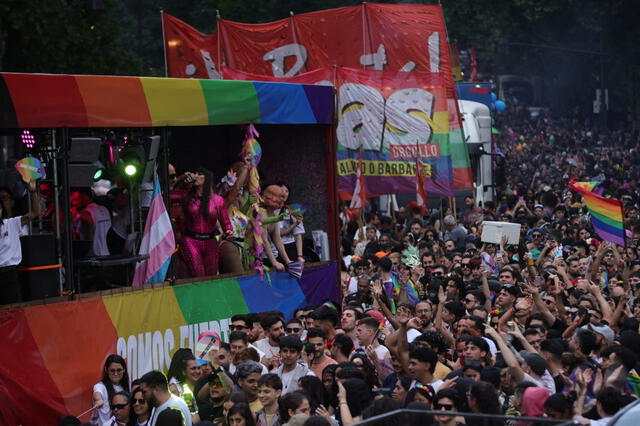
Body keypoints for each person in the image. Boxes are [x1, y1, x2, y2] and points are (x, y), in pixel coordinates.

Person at [181, 167, 233, 277]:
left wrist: (229, 231)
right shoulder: (186, 196)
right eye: (195, 173)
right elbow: (168, 193)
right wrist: (181, 178)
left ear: (207, 178)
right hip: (191, 241)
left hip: (210, 242)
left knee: (212, 276)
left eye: (199, 174)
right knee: (198, 275)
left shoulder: (218, 200)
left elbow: (226, 222)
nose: (195, 175)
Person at [0, 177, 39, 304]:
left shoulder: (11, 223)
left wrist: (32, 191)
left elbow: (35, 212)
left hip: (10, 273)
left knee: (13, 310)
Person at [92, 354, 130, 426]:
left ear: (124, 370)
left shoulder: (125, 387)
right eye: (112, 370)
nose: (116, 373)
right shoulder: (101, 386)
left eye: (119, 370)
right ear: (106, 370)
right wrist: (98, 400)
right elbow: (97, 393)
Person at [167, 349, 200, 413]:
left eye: (199, 368)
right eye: (193, 368)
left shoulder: (196, 384)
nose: (198, 371)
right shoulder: (173, 389)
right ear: (183, 371)